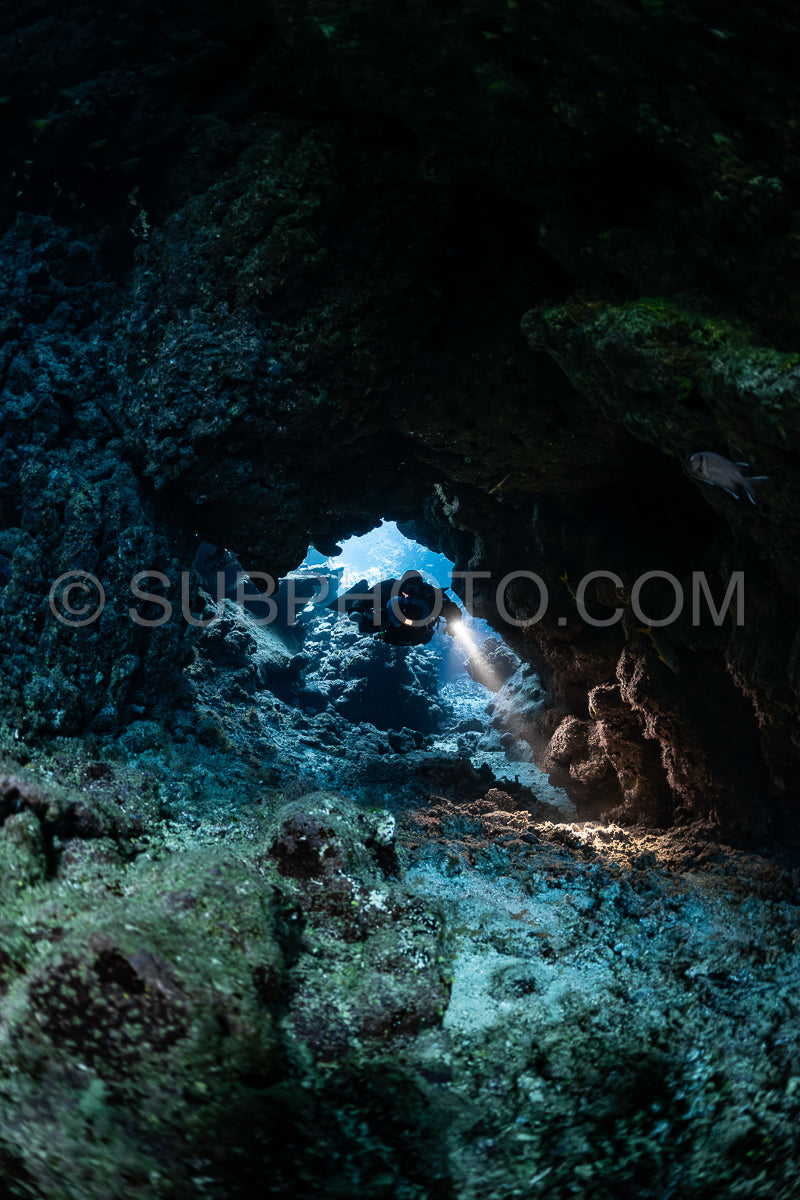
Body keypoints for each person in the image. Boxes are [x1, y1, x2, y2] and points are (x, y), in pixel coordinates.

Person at [334, 571, 461, 646]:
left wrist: (453, 622)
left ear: (421, 587)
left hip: (418, 635)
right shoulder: (388, 588)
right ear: (400, 585)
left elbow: (450, 609)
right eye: (407, 589)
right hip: (388, 631)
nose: (410, 594)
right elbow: (363, 600)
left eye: (414, 589)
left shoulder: (429, 594)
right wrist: (355, 612)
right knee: (367, 621)